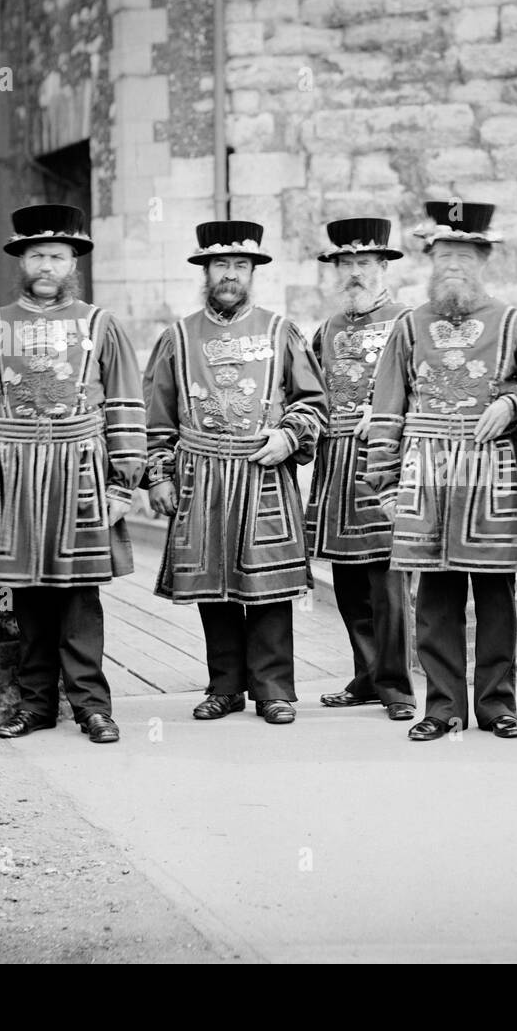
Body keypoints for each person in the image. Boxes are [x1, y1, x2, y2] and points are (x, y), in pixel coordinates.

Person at [0, 205, 146, 743]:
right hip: (15, 475)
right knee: (29, 595)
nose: (46, 265)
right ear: (21, 260)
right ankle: (35, 704)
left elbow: (128, 405)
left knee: (81, 594)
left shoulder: (101, 324)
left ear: (72, 262)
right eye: (36, 255)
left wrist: (123, 484)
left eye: (57, 256)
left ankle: (92, 707)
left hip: (81, 470)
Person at [364, 200, 517, 741]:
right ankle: (442, 706)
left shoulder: (513, 323)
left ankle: (497, 705)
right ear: (430, 259)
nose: (454, 265)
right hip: (427, 475)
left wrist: (511, 404)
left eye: (465, 255)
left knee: (494, 597)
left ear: (484, 258)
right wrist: (386, 482)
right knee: (435, 600)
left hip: (492, 474)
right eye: (445, 255)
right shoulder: (409, 327)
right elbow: (388, 407)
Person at [144, 220, 329, 725]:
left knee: (266, 586)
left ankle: (274, 690)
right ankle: (224, 687)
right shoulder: (178, 338)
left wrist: (288, 437)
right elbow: (155, 416)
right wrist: (159, 474)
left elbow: (314, 402)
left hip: (261, 471)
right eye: (221, 265)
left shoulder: (279, 331)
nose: (230, 275)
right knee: (214, 586)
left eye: (240, 266)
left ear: (252, 273)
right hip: (200, 473)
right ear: (206, 271)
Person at [305, 218, 417, 722]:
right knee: (348, 579)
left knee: (387, 579)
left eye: (363, 264)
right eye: (345, 264)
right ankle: (367, 675)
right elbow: (305, 392)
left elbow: (429, 387)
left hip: (385, 458)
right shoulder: (325, 330)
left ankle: (397, 686)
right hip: (336, 461)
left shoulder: (409, 322)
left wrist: (391, 413)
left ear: (383, 267)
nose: (354, 273)